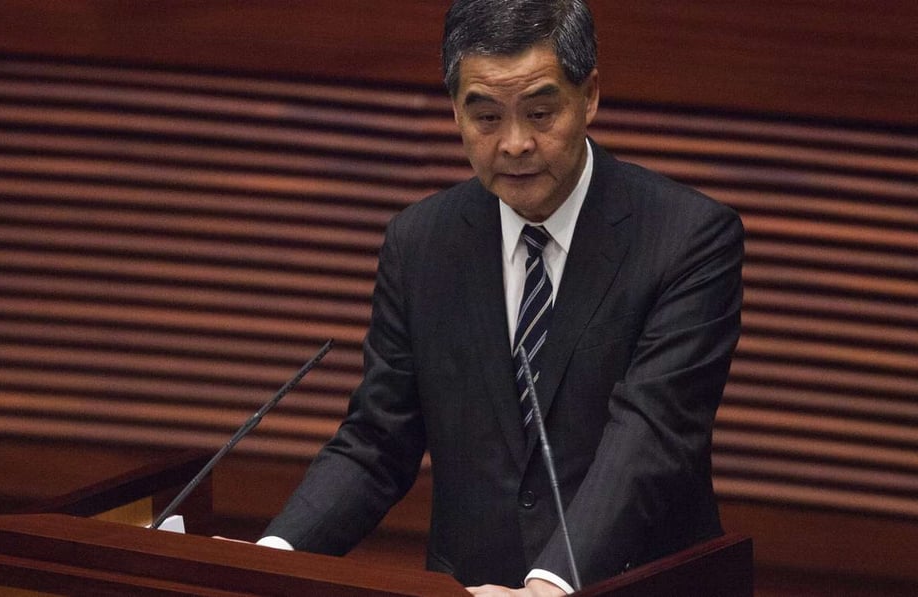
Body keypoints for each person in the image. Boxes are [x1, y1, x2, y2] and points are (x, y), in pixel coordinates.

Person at [258, 0, 744, 594]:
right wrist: (272, 557)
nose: (514, 144)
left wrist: (549, 584)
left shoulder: (685, 238)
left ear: (588, 96)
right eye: (486, 118)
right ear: (456, 112)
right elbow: (376, 443)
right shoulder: (420, 244)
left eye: (540, 112)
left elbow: (650, 439)